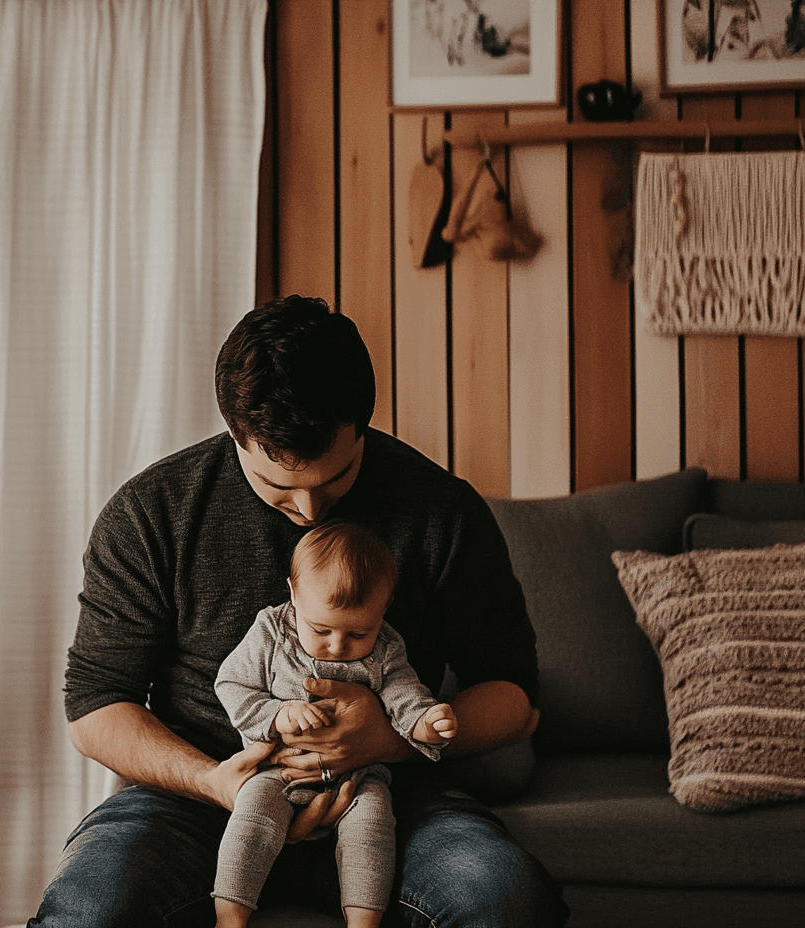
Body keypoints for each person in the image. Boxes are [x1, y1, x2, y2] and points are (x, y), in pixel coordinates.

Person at [33, 294, 569, 927]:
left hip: (391, 793)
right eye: (279, 486)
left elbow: (514, 698)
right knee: (84, 915)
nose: (312, 511)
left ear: (362, 424)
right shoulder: (153, 513)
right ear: (236, 435)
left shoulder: (440, 510)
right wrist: (217, 783)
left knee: (508, 902)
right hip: (200, 801)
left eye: (337, 477)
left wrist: (391, 739)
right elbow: (94, 705)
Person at [213, 520, 458, 928]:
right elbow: (231, 685)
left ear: (384, 609)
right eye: (320, 629)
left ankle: (363, 922)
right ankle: (230, 916)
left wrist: (426, 722)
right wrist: (278, 713)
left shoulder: (386, 649)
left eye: (358, 632)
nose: (338, 646)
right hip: (278, 768)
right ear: (293, 594)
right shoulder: (272, 631)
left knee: (374, 824)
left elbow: (404, 694)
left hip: (358, 775)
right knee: (252, 814)